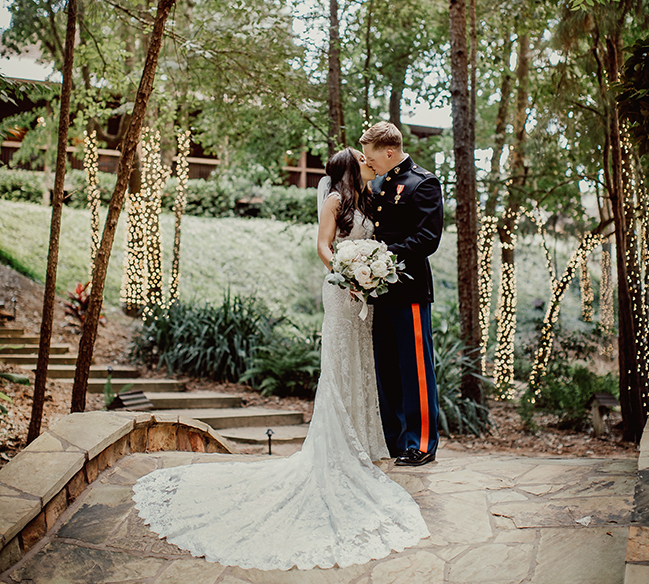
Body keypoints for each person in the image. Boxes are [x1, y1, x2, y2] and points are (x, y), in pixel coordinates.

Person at [132, 147, 429, 571]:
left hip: (365, 297)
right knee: (340, 364)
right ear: (350, 169)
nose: (370, 166)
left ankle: (364, 441)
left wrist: (370, 272)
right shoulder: (334, 201)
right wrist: (347, 274)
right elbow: (324, 246)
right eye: (363, 162)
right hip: (341, 292)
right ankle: (337, 446)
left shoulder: (367, 200)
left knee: (362, 365)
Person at [360, 122, 443, 467]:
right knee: (387, 370)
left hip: (408, 290)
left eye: (371, 157)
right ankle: (395, 441)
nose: (368, 163)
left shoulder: (422, 183)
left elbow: (428, 239)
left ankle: (421, 443)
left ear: (389, 152)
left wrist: (383, 255)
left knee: (415, 369)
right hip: (379, 292)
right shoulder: (378, 184)